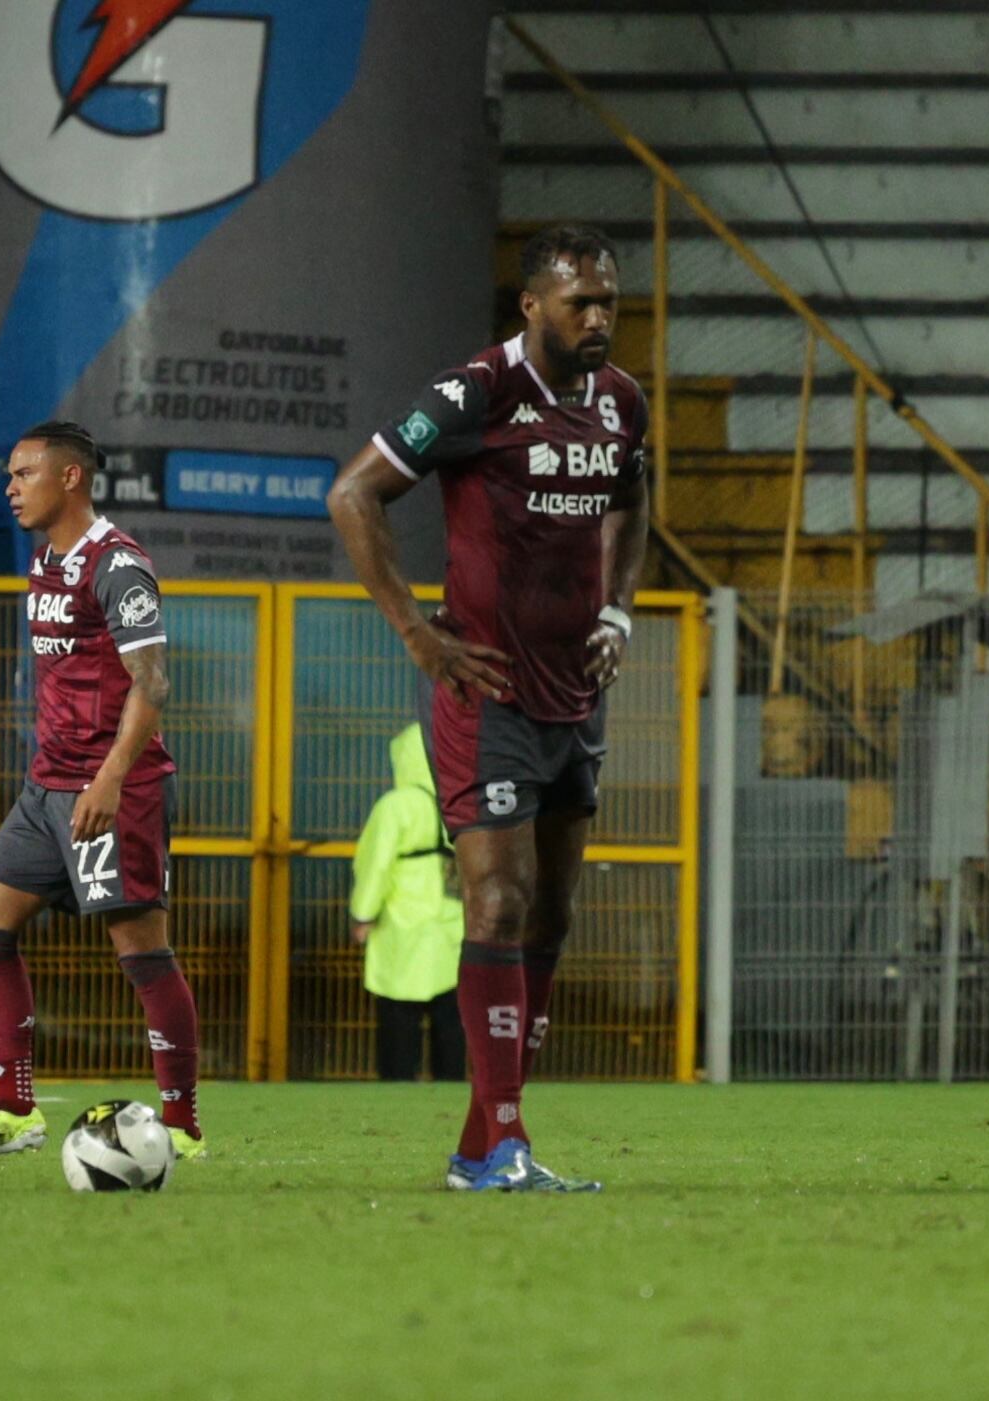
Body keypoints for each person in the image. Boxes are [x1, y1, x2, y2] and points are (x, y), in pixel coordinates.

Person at [327, 224, 650, 1192]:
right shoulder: (475, 393)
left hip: (574, 697)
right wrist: (417, 635)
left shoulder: (621, 403)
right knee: (498, 901)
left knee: (549, 914)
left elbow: (635, 497)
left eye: (609, 302)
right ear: (532, 306)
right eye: (578, 302)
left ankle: (483, 1145)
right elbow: (354, 495)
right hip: (488, 694)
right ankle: (501, 1141)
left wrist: (621, 611)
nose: (597, 318)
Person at [0, 420, 202, 1162]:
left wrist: (110, 778)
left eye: (23, 474)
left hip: (115, 785)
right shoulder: (45, 560)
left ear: (69, 477)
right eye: (10, 475)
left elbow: (153, 684)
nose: (10, 487)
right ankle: (14, 1111)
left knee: (141, 949)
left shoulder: (116, 566)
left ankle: (181, 1124)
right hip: (44, 786)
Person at [350, 723, 465, 1081]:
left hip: (401, 931)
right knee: (451, 1029)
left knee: (399, 1030)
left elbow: (376, 865)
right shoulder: (460, 805)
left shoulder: (395, 806)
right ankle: (451, 1104)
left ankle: (396, 1099)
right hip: (451, 931)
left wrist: (362, 914)